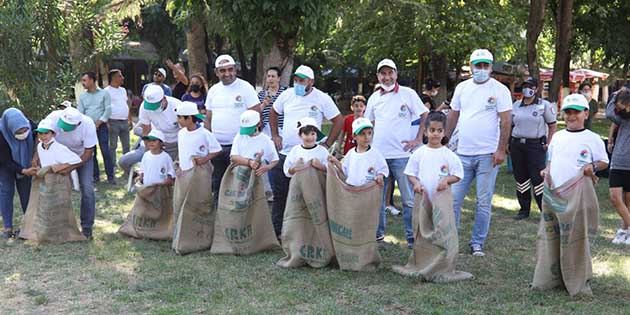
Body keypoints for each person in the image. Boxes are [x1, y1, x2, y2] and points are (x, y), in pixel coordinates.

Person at [533, 93, 608, 296]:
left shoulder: (592, 139)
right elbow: (551, 159)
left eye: (576, 112)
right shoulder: (557, 136)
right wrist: (546, 171)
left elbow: (603, 162)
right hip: (555, 194)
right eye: (567, 113)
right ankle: (549, 278)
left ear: (586, 114)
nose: (571, 116)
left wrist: (591, 166)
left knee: (575, 238)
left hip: (578, 196)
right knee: (550, 235)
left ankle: (577, 281)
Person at [445, 49, 512, 257]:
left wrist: (501, 150)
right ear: (471, 67)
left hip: (488, 155)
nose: (481, 70)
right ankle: (451, 240)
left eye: (485, 66)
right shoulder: (462, 88)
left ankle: (477, 243)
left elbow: (506, 121)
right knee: (454, 200)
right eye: (478, 66)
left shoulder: (500, 90)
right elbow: (453, 116)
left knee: (483, 201)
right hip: (462, 154)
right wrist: (444, 143)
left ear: (491, 67)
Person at [269, 65, 343, 238]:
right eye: (295, 80)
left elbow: (338, 121)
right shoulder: (287, 94)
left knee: (309, 195)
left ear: (311, 81)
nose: (297, 83)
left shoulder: (322, 98)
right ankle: (279, 232)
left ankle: (309, 232)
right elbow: (273, 112)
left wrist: (327, 144)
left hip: (311, 155)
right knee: (281, 194)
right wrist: (275, 135)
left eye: (301, 80)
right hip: (286, 153)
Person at [365, 58, 429, 247]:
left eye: (390, 73)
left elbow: (424, 114)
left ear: (396, 74)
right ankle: (377, 236)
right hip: (379, 156)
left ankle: (411, 238)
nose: (387, 77)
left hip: (402, 156)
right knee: (377, 199)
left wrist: (418, 139)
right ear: (378, 76)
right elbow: (368, 123)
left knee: (409, 200)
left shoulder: (407, 94)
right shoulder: (374, 98)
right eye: (382, 74)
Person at [204, 54, 261, 204]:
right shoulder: (213, 90)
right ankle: (220, 215)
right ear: (216, 72)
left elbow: (256, 114)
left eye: (230, 69)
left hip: (240, 146)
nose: (227, 73)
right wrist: (208, 142)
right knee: (218, 182)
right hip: (217, 147)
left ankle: (241, 216)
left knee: (240, 184)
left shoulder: (245, 87)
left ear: (235, 69)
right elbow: (208, 119)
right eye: (222, 71)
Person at [42, 107, 98, 239]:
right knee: (54, 189)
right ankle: (56, 226)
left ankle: (87, 227)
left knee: (87, 189)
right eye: (63, 125)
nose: (63, 129)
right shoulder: (54, 117)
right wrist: (36, 157)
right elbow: (41, 136)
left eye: (68, 127)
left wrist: (71, 167)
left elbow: (88, 153)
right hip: (58, 156)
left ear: (78, 124)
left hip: (82, 157)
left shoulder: (88, 125)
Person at [509, 77, 557, 220]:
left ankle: (545, 210)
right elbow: (510, 125)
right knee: (521, 178)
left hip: (535, 146)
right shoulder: (516, 105)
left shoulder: (544, 105)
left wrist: (549, 142)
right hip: (517, 145)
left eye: (530, 86)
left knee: (538, 178)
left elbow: (552, 124)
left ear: (536, 89)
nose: (527, 89)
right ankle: (524, 209)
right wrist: (507, 143)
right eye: (525, 86)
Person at [0, 108, 36, 239]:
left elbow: (38, 137)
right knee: (6, 191)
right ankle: (7, 227)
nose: (23, 134)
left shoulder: (29, 125)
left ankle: (29, 225)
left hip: (26, 161)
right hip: (4, 165)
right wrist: (23, 170)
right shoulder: (1, 133)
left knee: (26, 192)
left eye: (25, 131)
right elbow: (5, 160)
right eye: (19, 132)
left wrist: (35, 157)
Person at [77, 71, 115, 184]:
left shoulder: (104, 94)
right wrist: (88, 124)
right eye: (82, 80)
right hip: (88, 127)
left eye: (85, 80)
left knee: (105, 150)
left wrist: (99, 122)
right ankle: (95, 176)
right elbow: (81, 112)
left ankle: (110, 176)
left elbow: (108, 110)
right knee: (91, 151)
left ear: (92, 80)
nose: (83, 83)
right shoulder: (83, 96)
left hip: (101, 125)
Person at [328, 117, 387, 186]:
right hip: (352, 189)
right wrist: (335, 161)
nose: (366, 137)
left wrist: (380, 176)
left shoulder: (375, 153)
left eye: (369, 133)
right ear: (354, 136)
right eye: (362, 134)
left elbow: (383, 169)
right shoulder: (351, 153)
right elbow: (345, 170)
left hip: (369, 189)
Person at [606, 88, 630, 245]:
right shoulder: (623, 118)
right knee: (615, 198)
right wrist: (616, 94)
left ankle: (624, 230)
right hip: (617, 162)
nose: (621, 110)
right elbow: (609, 113)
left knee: (628, 202)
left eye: (623, 107)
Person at [175, 101, 221, 175]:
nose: (177, 120)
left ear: (189, 118)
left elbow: (217, 149)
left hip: (199, 172)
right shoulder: (181, 133)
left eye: (180, 117)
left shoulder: (204, 133)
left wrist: (204, 159)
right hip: (183, 172)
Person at [230, 110, 279, 178]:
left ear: (258, 124)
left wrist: (267, 167)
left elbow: (275, 159)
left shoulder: (266, 140)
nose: (247, 133)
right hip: (240, 173)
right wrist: (249, 162)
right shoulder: (239, 136)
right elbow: (233, 157)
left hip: (258, 174)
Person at [139, 84, 181, 161]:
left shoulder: (177, 106)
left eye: (155, 106)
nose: (153, 110)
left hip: (175, 143)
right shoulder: (144, 107)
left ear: (164, 99)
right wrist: (149, 154)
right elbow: (146, 131)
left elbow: (184, 133)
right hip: (155, 141)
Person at [105, 69, 132, 170]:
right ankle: (113, 165)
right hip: (113, 121)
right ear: (113, 78)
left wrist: (129, 119)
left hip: (124, 121)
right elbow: (104, 107)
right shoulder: (106, 91)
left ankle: (127, 164)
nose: (122, 78)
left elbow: (127, 104)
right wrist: (107, 122)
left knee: (126, 145)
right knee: (113, 145)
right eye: (120, 76)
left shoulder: (123, 90)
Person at [258, 67, 287, 137]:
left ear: (278, 78)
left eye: (273, 76)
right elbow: (256, 112)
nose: (270, 79)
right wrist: (264, 104)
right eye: (268, 76)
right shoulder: (261, 94)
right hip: (265, 131)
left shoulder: (285, 93)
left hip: (282, 129)